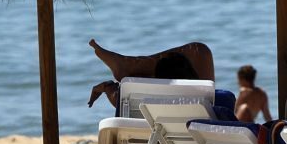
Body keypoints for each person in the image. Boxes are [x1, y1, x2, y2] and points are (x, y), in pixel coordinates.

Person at [87, 40, 215, 108]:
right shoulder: (219, 102)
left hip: (163, 135)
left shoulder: (148, 110)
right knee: (200, 51)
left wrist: (107, 86)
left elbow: (122, 102)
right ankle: (129, 65)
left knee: (200, 50)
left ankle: (130, 64)